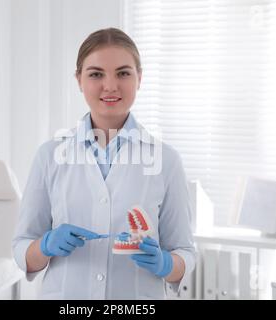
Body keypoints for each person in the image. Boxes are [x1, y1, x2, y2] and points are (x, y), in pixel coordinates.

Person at [12, 28, 196, 299]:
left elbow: (185, 252)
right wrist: (46, 245)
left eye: (123, 73)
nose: (110, 86)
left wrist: (167, 264)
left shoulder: (166, 160)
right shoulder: (50, 156)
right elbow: (22, 251)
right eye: (96, 74)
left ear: (139, 78)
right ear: (79, 80)